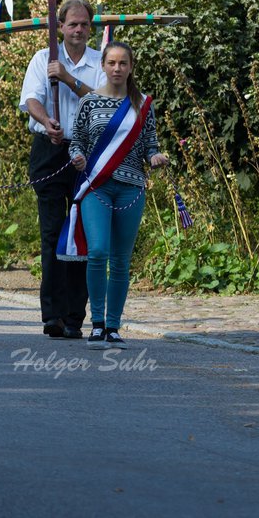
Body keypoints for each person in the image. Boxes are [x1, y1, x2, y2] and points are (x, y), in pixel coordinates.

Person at [66, 42, 168, 349]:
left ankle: (114, 327)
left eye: (123, 63)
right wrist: (78, 158)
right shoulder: (89, 103)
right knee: (97, 251)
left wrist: (155, 157)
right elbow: (76, 142)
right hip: (96, 186)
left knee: (121, 260)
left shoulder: (142, 104)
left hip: (131, 188)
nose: (117, 68)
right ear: (103, 65)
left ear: (131, 67)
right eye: (111, 62)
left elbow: (151, 143)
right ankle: (96, 324)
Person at [19, 0, 103, 340]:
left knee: (82, 237)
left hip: (88, 154)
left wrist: (68, 79)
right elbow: (31, 99)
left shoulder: (101, 61)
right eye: (73, 24)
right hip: (50, 151)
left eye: (84, 24)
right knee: (53, 234)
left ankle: (74, 317)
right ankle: (52, 315)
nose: (79, 30)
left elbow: (103, 103)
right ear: (61, 27)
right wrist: (47, 122)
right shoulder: (43, 59)